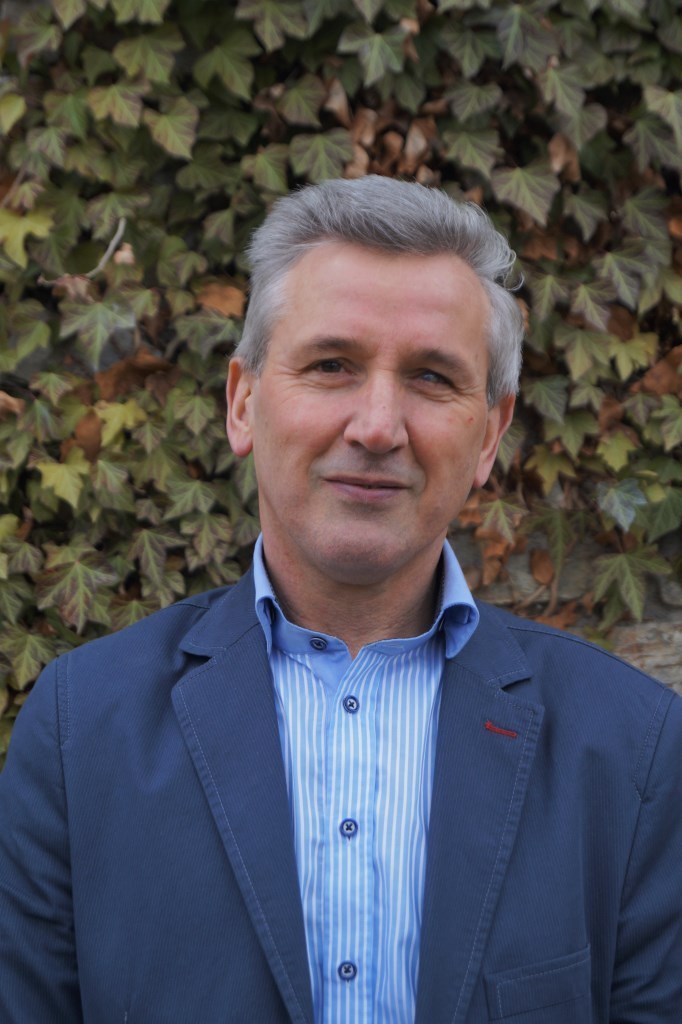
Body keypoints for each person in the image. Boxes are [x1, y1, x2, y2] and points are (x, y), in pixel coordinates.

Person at [0, 176, 680, 1024]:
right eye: (331, 366)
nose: (377, 426)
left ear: (490, 436)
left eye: (431, 376)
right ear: (243, 401)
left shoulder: (634, 751)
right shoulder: (79, 731)